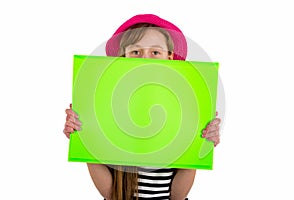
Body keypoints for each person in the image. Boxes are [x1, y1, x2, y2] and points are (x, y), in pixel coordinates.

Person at [63, 14, 221, 200]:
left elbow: (178, 196)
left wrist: (199, 146)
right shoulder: (106, 105)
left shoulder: (186, 106)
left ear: (169, 57)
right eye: (136, 52)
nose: (145, 59)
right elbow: (110, 194)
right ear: (123, 58)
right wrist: (83, 138)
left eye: (155, 52)